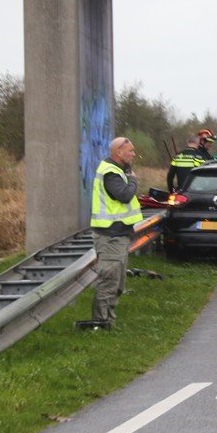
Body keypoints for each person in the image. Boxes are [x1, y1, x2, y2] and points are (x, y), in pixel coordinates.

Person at [77, 137, 143, 330]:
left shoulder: (118, 170)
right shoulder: (111, 173)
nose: (133, 154)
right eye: (130, 151)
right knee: (108, 281)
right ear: (119, 152)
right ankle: (100, 323)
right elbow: (123, 195)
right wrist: (132, 180)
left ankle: (109, 321)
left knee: (117, 283)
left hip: (119, 234)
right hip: (110, 235)